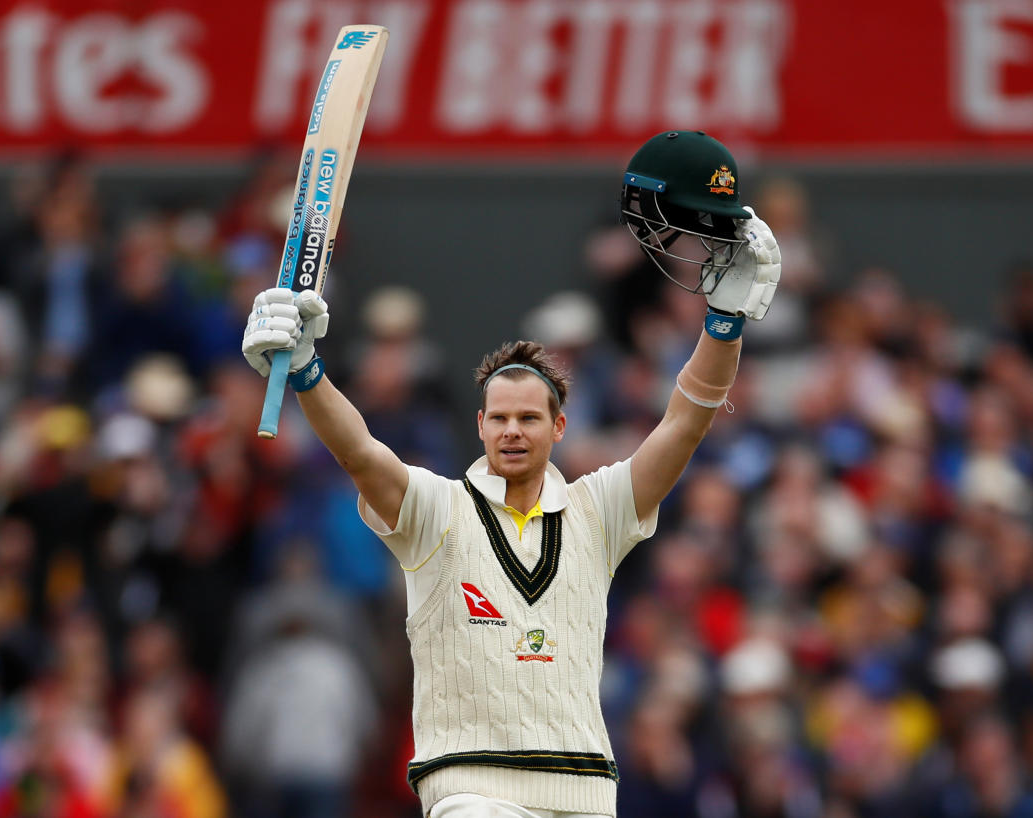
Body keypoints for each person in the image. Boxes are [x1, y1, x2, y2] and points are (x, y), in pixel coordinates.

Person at [240, 131, 781, 818]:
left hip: (584, 791)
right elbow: (361, 454)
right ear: (479, 426)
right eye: (499, 417)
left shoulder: (596, 511)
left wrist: (725, 325)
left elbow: (685, 423)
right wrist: (310, 374)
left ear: (560, 428)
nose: (512, 431)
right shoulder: (438, 513)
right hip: (472, 792)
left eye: (530, 417)